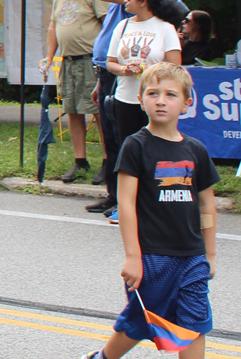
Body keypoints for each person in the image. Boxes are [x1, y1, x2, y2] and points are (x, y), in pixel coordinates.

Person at [78, 62, 230, 359]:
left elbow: (207, 205)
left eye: (170, 94)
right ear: (142, 100)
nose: (161, 101)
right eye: (152, 93)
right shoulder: (136, 146)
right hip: (152, 255)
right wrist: (133, 256)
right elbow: (125, 204)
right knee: (142, 322)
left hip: (191, 255)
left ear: (187, 103)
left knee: (195, 323)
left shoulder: (195, 150)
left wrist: (209, 253)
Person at [86, 0, 186, 217]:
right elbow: (110, 62)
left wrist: (150, 71)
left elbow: (175, 68)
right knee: (128, 151)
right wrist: (124, 68)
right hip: (125, 99)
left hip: (155, 102)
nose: (126, 2)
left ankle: (157, 204)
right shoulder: (122, 26)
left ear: (144, 2)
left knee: (157, 151)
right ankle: (126, 204)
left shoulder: (164, 28)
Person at [38, 0, 110, 184]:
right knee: (72, 109)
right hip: (68, 61)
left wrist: (104, 59)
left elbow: (108, 23)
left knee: (99, 110)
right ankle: (80, 161)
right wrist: (49, 57)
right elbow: (53, 26)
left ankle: (108, 160)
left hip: (91, 59)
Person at [87, 1, 133, 217]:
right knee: (110, 138)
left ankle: (125, 199)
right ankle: (113, 195)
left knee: (120, 135)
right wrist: (99, 81)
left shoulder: (128, 6)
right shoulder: (115, 8)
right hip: (106, 73)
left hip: (121, 74)